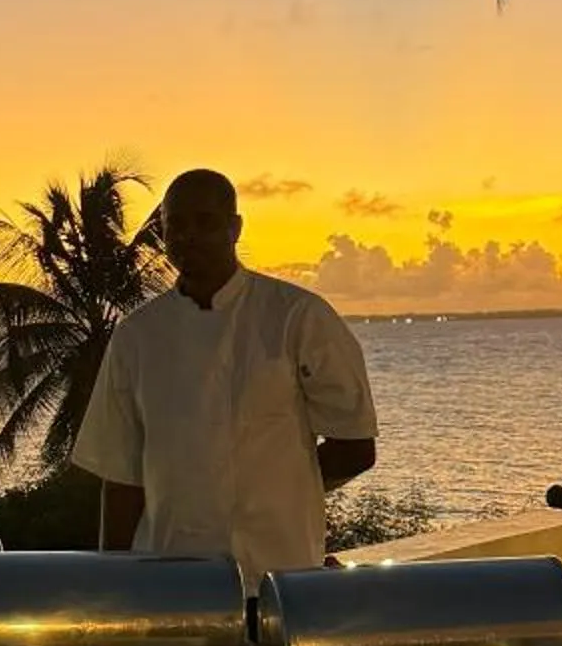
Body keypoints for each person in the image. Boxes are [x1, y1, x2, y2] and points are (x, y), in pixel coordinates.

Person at [71, 167, 377, 582]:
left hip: (281, 575)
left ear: (235, 228)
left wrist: (273, 489)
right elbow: (121, 478)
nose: (188, 236)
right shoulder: (137, 336)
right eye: (175, 224)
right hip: (169, 580)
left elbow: (356, 445)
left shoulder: (297, 317)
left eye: (205, 222)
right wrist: (116, 586)